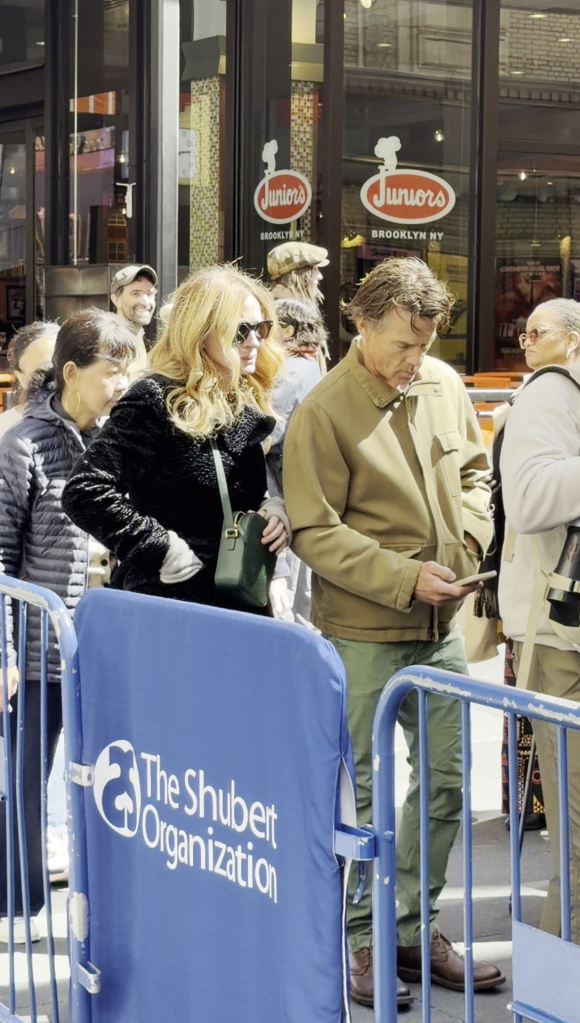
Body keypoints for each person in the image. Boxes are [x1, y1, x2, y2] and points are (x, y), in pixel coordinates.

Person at [282, 257, 504, 1006]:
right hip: (363, 632)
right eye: (404, 345)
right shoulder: (322, 409)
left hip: (440, 628)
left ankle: (411, 928)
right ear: (361, 323)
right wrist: (405, 576)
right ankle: (360, 939)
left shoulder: (441, 384)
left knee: (447, 784)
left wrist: (468, 546)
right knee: (365, 800)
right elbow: (314, 529)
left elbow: (477, 477)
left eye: (426, 344)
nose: (417, 361)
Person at [0, 309, 137, 943]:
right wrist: (4, 648)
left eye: (126, 370)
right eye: (112, 371)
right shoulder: (22, 443)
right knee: (29, 780)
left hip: (108, 648)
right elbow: (0, 556)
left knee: (108, 778)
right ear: (74, 372)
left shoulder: (118, 436)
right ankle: (19, 908)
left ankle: (104, 905)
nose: (120, 383)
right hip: (39, 648)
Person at [62, 264, 289, 612]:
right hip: (170, 603)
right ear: (200, 334)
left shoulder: (242, 398)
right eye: (240, 331)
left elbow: (231, 494)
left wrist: (270, 511)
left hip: (238, 598)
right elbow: (85, 491)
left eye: (261, 327)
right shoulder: (153, 397)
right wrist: (161, 548)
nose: (254, 341)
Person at [499, 297, 580, 944]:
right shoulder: (550, 393)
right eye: (524, 331)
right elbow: (528, 499)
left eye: (537, 331)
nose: (526, 341)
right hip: (563, 641)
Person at [267, 298, 329, 622]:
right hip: (310, 496)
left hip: (283, 496)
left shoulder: (287, 372)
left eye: (267, 326)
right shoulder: (314, 365)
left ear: (287, 330)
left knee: (284, 602)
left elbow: (264, 438)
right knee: (303, 601)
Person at [0, 320, 59, 440]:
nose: (55, 377)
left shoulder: (93, 424)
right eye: (42, 370)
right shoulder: (5, 430)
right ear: (21, 378)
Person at [110, 264, 158, 379]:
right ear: (116, 299)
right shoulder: (111, 343)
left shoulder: (139, 337)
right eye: (135, 294)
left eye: (149, 294)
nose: (145, 302)